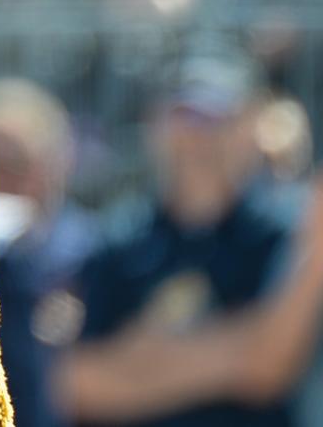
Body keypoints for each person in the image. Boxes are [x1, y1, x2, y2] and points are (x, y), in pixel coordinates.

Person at [53, 53, 303, 424]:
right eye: (187, 117)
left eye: (218, 119)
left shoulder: (284, 234)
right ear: (156, 125)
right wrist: (232, 346)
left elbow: (266, 365)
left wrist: (144, 356)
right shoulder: (120, 239)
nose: (198, 136)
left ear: (250, 126)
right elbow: (78, 383)